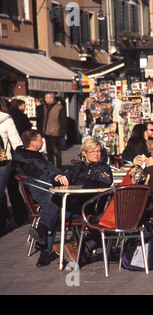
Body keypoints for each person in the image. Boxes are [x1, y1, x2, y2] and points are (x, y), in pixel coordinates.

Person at [14, 133, 113, 266]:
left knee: (52, 210)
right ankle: (43, 237)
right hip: (72, 206)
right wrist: (59, 178)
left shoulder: (103, 168)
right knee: (53, 199)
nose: (96, 154)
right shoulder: (78, 167)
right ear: (84, 153)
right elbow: (65, 178)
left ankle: (43, 241)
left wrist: (85, 182)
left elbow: (105, 182)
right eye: (92, 151)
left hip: (87, 208)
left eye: (98, 151)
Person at [0, 98, 23, 234]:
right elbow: (17, 144)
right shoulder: (8, 120)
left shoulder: (7, 121)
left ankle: (3, 222)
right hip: (4, 161)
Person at [42, 93, 67, 169]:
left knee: (56, 151)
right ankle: (51, 167)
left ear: (52, 99)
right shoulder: (45, 107)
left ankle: (59, 167)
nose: (45, 100)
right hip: (47, 132)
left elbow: (63, 121)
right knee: (49, 152)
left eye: (46, 98)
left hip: (55, 132)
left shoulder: (59, 108)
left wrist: (62, 131)